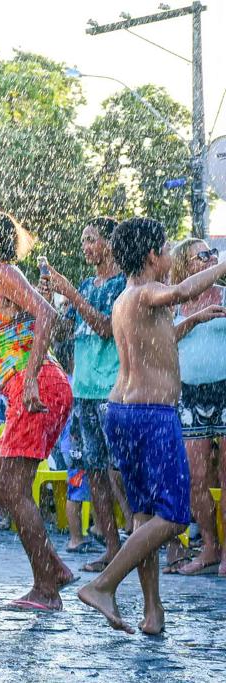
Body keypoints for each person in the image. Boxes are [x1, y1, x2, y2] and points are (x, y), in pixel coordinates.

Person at [78, 217, 226, 635]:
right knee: (176, 518)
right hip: (151, 416)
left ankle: (152, 612)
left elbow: (155, 344)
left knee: (144, 517)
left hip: (122, 414)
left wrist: (191, 323)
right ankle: (104, 585)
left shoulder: (129, 298)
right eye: (165, 250)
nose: (169, 257)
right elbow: (181, 290)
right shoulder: (147, 292)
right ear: (151, 256)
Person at [0, 210, 75, 611]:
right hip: (36, 387)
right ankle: (53, 568)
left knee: (4, 481)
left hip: (39, 388)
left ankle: (47, 586)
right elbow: (18, 342)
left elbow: (48, 314)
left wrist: (28, 380)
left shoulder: (6, 273)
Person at [43, 217, 128, 574]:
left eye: (91, 240)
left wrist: (71, 294)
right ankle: (111, 549)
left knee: (120, 471)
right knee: (94, 471)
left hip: (113, 390)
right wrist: (46, 299)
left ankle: (153, 544)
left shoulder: (123, 284)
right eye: (84, 241)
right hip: (85, 391)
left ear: (110, 243)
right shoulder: (84, 284)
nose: (86, 247)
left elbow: (106, 328)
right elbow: (66, 330)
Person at [166, 238, 226, 576]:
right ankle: (209, 547)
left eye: (212, 254)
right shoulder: (175, 301)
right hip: (189, 393)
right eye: (201, 255)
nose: (209, 259)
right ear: (184, 265)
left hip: (225, 388)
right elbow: (164, 339)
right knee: (197, 477)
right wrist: (195, 318)